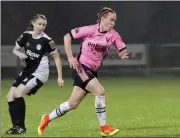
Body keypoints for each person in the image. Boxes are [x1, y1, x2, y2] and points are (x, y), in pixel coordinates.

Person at [38, 7, 129, 137]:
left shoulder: (113, 35)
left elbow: (121, 47)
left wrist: (122, 53)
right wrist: (69, 57)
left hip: (91, 71)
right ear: (102, 19)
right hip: (80, 67)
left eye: (115, 21)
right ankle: (104, 128)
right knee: (100, 91)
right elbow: (67, 36)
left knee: (72, 104)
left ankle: (47, 118)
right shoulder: (90, 30)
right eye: (111, 20)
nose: (113, 23)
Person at [5, 14, 64, 135]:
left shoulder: (47, 40)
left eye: (44, 25)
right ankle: (16, 127)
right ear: (33, 23)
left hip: (40, 72)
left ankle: (21, 127)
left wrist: (60, 77)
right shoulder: (26, 35)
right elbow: (15, 49)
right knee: (10, 96)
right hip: (28, 70)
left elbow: (57, 58)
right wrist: (19, 54)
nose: (42, 27)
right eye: (39, 24)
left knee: (18, 93)